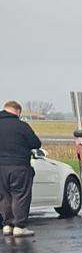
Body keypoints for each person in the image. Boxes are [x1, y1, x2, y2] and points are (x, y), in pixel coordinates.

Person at [0, 101, 43, 236]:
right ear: (18, 111)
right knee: (20, 195)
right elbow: (35, 143)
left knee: (4, 196)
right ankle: (19, 226)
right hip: (19, 166)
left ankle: (7, 225)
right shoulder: (22, 126)